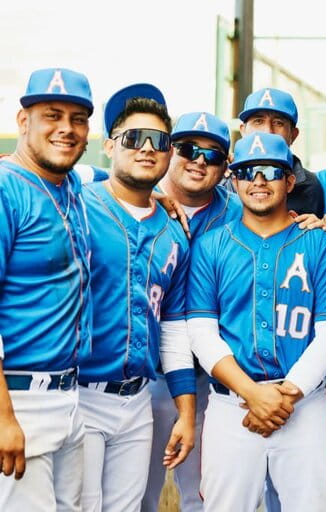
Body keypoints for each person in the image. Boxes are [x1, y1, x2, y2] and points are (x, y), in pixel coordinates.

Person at [186, 131, 326, 511]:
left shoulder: (321, 245)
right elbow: (201, 333)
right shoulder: (211, 245)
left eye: (270, 171)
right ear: (233, 179)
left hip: (303, 405)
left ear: (290, 180)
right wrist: (252, 393)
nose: (258, 181)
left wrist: (284, 395)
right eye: (247, 171)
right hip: (232, 407)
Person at [77, 84, 195, 512]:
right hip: (78, 394)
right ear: (109, 145)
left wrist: (184, 412)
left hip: (138, 400)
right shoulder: (77, 204)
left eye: (159, 142)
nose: (147, 149)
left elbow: (174, 331)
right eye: (133, 138)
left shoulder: (174, 231)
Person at [0, 67, 93, 511]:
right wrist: (2, 418)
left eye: (77, 119)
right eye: (51, 115)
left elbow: (109, 176)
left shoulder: (72, 182)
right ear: (23, 122)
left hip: (68, 397)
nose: (66, 129)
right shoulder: (4, 189)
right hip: (18, 397)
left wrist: (162, 194)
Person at [142, 111, 240, 512]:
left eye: (212, 155)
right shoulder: (132, 195)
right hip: (142, 376)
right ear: (169, 151)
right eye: (187, 149)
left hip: (210, 378)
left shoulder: (240, 212)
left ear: (225, 168)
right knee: (133, 496)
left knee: (203, 495)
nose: (199, 160)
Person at [238, 87, 324, 217]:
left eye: (278, 123)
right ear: (243, 131)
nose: (268, 131)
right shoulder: (223, 178)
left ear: (293, 135)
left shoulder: (309, 186)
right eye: (258, 121)